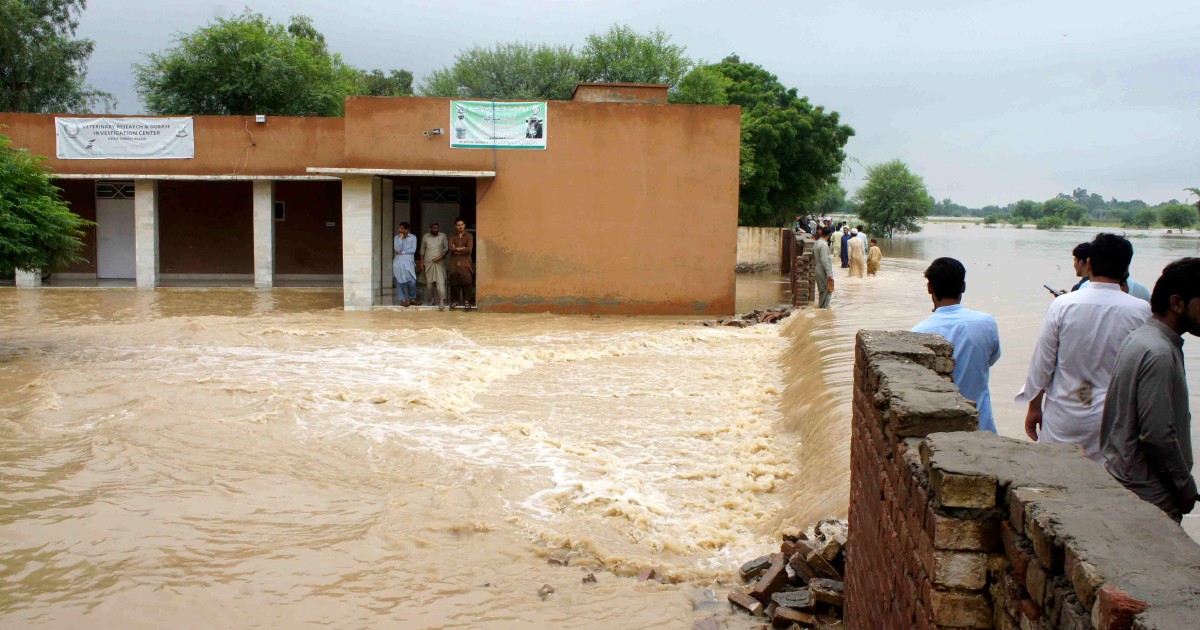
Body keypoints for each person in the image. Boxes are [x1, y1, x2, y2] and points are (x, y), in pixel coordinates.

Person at [1016, 233, 1151, 462]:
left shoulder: (1063, 305)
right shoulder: (1142, 311)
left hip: (1065, 416)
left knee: (1057, 482)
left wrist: (1034, 406)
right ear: (1126, 268)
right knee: (1108, 487)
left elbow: (1042, 365)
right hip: (1115, 421)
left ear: (1088, 264)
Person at [1100, 258, 1200, 523]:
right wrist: (1185, 487)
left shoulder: (1142, 338)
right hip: (1149, 494)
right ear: (1177, 303)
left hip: (1128, 481)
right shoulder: (1159, 352)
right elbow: (1157, 434)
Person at [912, 258, 1002, 432]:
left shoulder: (918, 333)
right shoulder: (986, 323)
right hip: (981, 425)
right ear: (963, 286)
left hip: (938, 432)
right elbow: (990, 359)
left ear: (929, 288)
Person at [419, 222, 449, 310]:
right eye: (434, 228)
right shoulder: (425, 236)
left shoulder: (443, 236)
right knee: (429, 283)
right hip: (428, 262)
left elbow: (446, 249)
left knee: (440, 282)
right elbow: (422, 250)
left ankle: (441, 301)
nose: (436, 230)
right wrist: (421, 263)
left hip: (439, 262)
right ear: (430, 228)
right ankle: (431, 300)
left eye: (437, 228)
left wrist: (440, 257)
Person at [449, 218, 475, 308]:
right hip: (454, 262)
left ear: (464, 225)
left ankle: (467, 301)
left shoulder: (469, 236)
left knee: (466, 281)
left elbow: (469, 249)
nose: (460, 226)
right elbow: (451, 248)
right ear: (456, 226)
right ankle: (455, 301)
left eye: (461, 225)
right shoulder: (453, 236)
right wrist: (462, 248)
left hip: (465, 262)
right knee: (454, 281)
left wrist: (456, 248)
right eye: (458, 225)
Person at [392, 222, 417, 307]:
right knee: (399, 281)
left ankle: (412, 299)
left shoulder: (413, 237)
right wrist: (400, 239)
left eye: (402, 228)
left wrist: (402, 252)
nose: (400, 230)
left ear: (407, 230)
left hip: (408, 262)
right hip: (398, 263)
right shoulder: (396, 238)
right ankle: (403, 300)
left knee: (412, 281)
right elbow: (396, 249)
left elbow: (413, 250)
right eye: (399, 228)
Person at [813, 226, 835, 308]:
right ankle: (823, 310)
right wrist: (829, 274)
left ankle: (821, 309)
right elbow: (825, 261)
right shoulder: (824, 246)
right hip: (823, 271)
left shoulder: (817, 242)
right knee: (828, 291)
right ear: (829, 234)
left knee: (822, 291)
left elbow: (813, 253)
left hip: (818, 269)